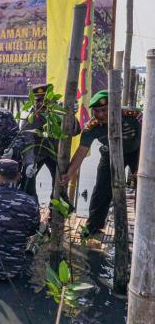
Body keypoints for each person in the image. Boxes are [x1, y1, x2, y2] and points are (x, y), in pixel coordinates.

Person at [60, 90, 142, 236]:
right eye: (97, 111)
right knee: (101, 188)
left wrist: (143, 167)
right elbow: (81, 152)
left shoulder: (134, 116)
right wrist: (69, 174)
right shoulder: (92, 127)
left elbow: (150, 137)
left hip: (138, 152)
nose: (101, 115)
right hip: (110, 153)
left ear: (114, 107)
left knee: (143, 188)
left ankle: (142, 225)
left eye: (104, 110)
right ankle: (93, 226)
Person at [19, 84, 80, 201]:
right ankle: (31, 209)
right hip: (36, 154)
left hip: (56, 154)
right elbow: (28, 143)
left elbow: (76, 131)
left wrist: (71, 116)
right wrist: (29, 164)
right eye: (38, 101)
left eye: (45, 100)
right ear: (32, 102)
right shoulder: (28, 117)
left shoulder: (60, 111)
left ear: (51, 100)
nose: (42, 104)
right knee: (27, 182)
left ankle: (55, 212)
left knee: (61, 183)